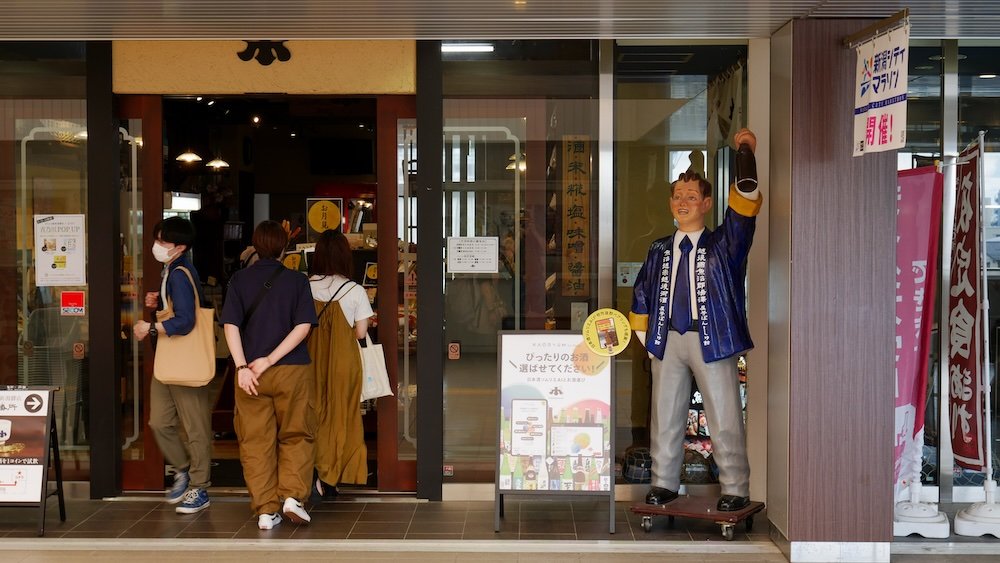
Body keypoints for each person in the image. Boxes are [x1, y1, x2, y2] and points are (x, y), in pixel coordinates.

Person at [630, 128, 762, 512]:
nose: (683, 202)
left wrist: (745, 154)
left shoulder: (724, 245)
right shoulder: (659, 249)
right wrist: (647, 340)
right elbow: (643, 293)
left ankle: (735, 486)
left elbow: (744, 210)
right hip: (667, 338)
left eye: (692, 196)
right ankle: (663, 482)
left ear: (707, 203)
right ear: (670, 203)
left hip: (712, 339)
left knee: (724, 416)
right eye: (678, 196)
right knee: (665, 416)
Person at [221, 220, 318, 530]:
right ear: (284, 248)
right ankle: (292, 498)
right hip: (291, 370)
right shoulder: (297, 281)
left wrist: (242, 367)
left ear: (255, 245)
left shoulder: (239, 280)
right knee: (297, 435)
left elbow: (231, 326)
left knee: (255, 442)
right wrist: (271, 359)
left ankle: (266, 510)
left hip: (250, 376)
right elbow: (302, 327)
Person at [132, 217, 213, 514]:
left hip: (183, 359)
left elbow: (187, 321)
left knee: (195, 427)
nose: (157, 246)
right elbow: (178, 311)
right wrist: (159, 306)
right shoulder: (171, 270)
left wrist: (150, 328)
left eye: (163, 242)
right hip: (170, 359)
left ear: (180, 247)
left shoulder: (179, 273)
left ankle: (200, 487)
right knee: (159, 422)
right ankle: (184, 469)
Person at [307, 229, 373, 498]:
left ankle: (309, 471)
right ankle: (331, 476)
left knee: (311, 414)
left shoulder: (304, 285)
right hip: (344, 362)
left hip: (308, 360)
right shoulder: (355, 290)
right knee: (341, 417)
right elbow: (360, 333)